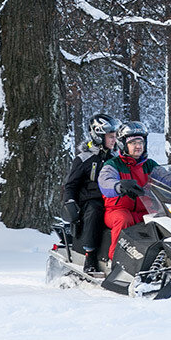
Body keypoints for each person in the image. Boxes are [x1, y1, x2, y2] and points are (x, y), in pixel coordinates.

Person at [62, 114, 120, 272]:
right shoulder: (84, 158)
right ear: (99, 136)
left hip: (112, 200)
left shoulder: (115, 158)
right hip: (90, 201)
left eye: (115, 137)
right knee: (95, 210)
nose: (114, 140)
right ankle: (90, 255)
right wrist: (70, 202)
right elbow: (71, 185)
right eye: (110, 137)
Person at [98, 121, 158, 261]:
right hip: (118, 210)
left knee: (165, 220)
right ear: (123, 144)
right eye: (133, 143)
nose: (138, 146)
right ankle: (116, 260)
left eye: (141, 142)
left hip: (145, 210)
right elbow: (105, 182)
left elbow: (168, 178)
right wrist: (119, 186)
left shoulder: (150, 165)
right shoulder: (113, 164)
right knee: (123, 220)